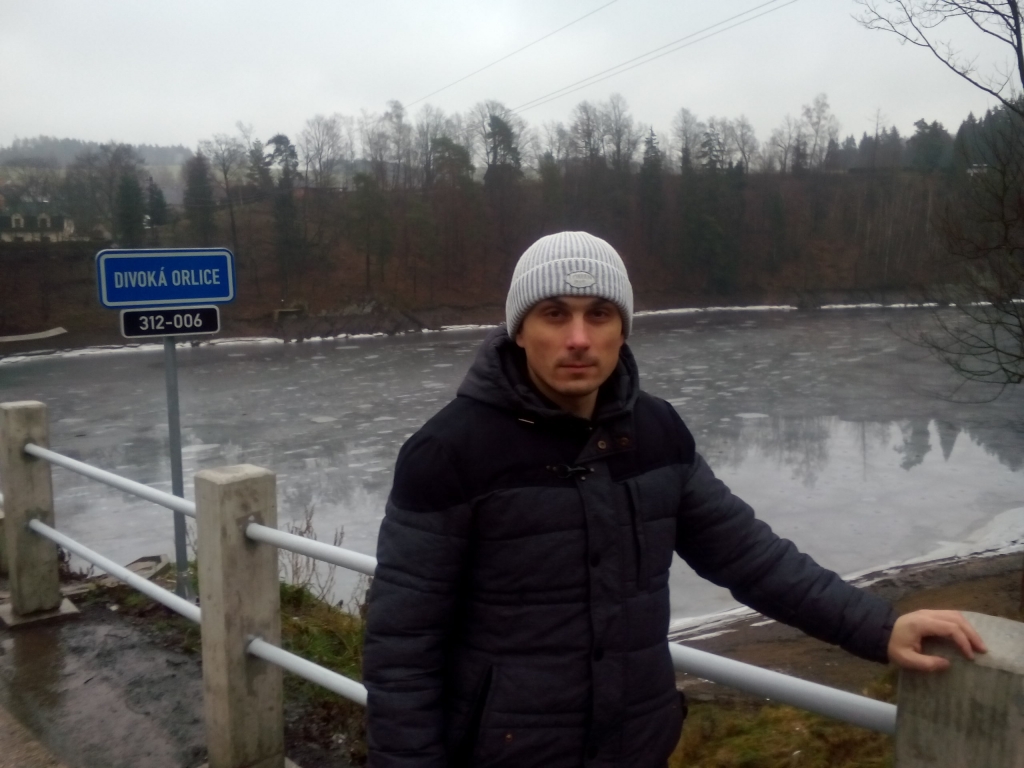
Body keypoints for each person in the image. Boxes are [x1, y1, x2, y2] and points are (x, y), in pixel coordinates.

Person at [362, 231, 985, 768]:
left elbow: (751, 557)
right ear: (519, 330)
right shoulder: (449, 454)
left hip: (637, 746)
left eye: (599, 314)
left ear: (623, 329)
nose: (578, 337)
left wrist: (879, 627)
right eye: (554, 313)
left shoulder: (656, 433)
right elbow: (401, 650)